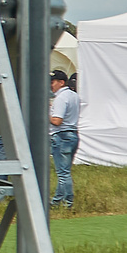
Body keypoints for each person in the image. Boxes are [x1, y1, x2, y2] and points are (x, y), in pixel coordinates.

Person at [47, 68, 82, 210]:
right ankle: (57, 201)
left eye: (53, 82)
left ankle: (68, 203)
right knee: (65, 171)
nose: (51, 85)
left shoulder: (61, 98)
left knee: (62, 173)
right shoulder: (73, 95)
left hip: (61, 136)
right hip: (72, 134)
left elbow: (57, 121)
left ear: (61, 82)